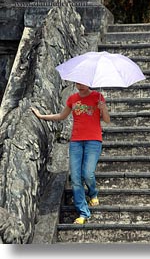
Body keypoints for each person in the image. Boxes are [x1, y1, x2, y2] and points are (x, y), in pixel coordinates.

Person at [31, 83, 110, 224]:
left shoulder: (98, 97)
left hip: (93, 141)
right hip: (76, 142)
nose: (80, 85)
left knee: (87, 173)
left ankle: (93, 193)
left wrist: (103, 108)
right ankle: (83, 213)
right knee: (75, 178)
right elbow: (62, 116)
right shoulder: (72, 98)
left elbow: (107, 120)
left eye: (82, 82)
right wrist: (41, 116)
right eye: (77, 82)